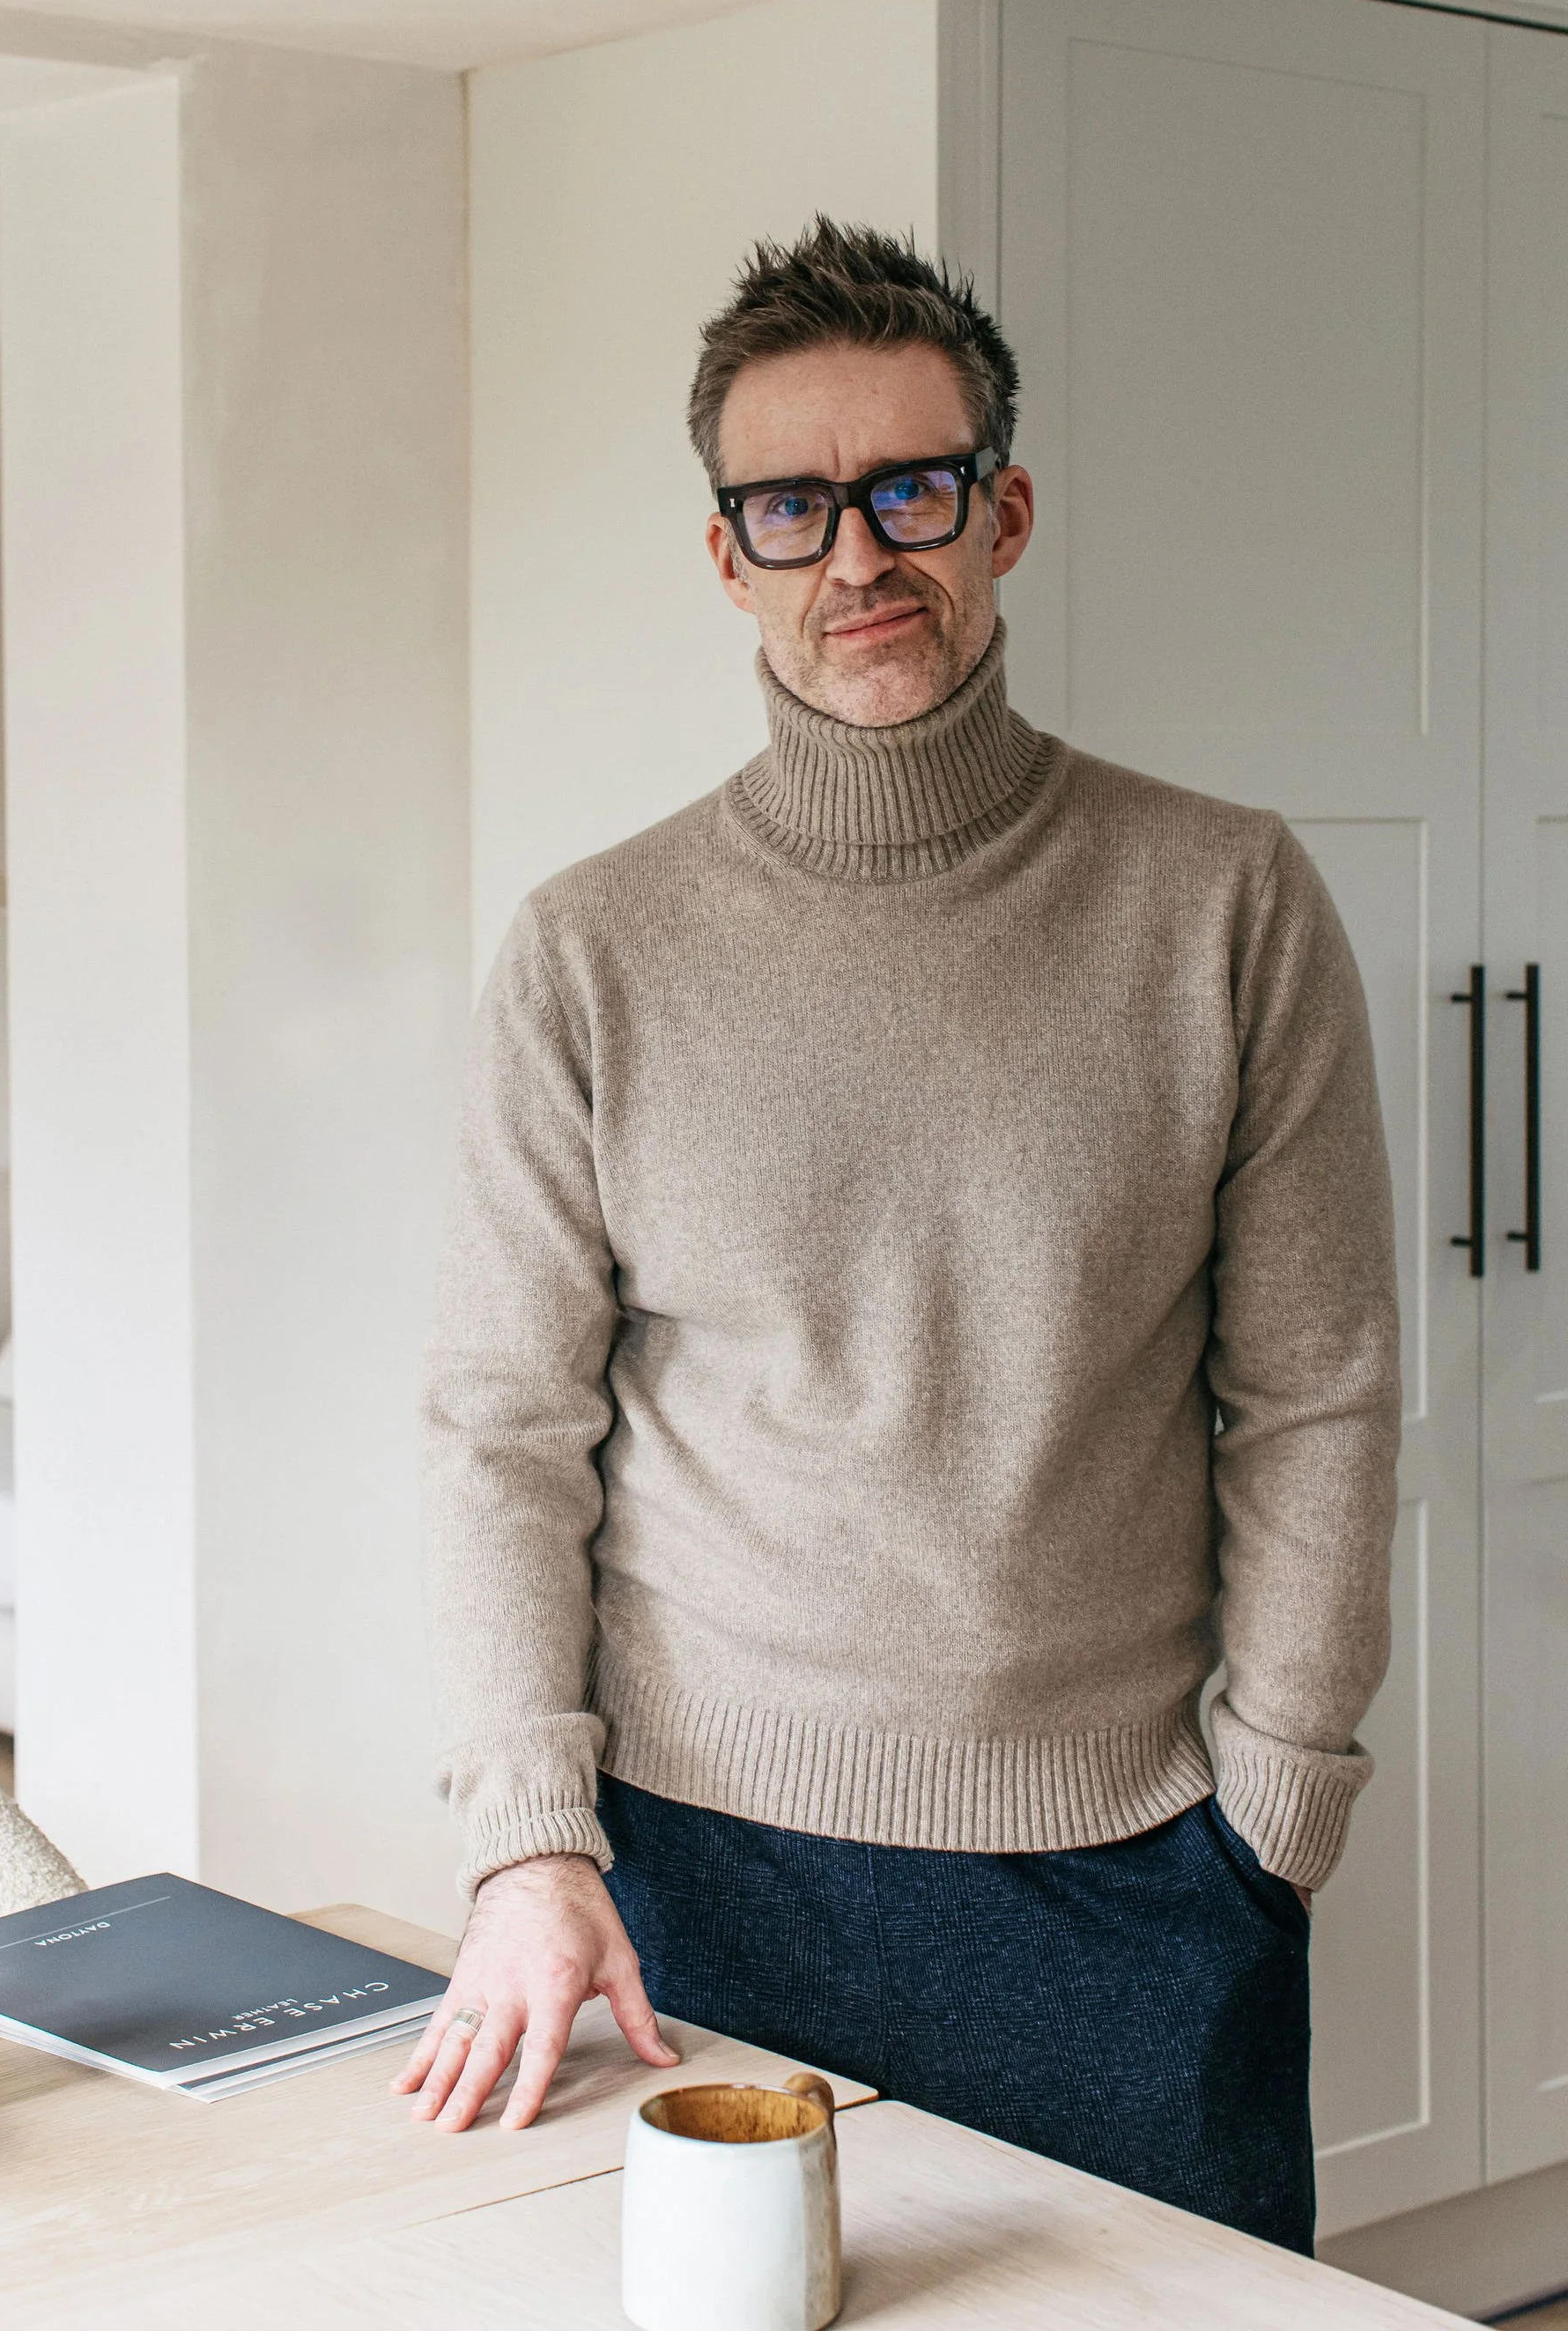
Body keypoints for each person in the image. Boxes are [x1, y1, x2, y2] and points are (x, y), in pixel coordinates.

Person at [396, 217, 1399, 2253]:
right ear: (728, 554)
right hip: (692, 1875)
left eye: (908, 490)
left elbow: (1314, 1395)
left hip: (1134, 1875)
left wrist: (1273, 1806)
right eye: (790, 505)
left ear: (1001, 511)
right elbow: (499, 1429)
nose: (856, 555)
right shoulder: (594, 950)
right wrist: (526, 1844)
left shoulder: (1223, 902)